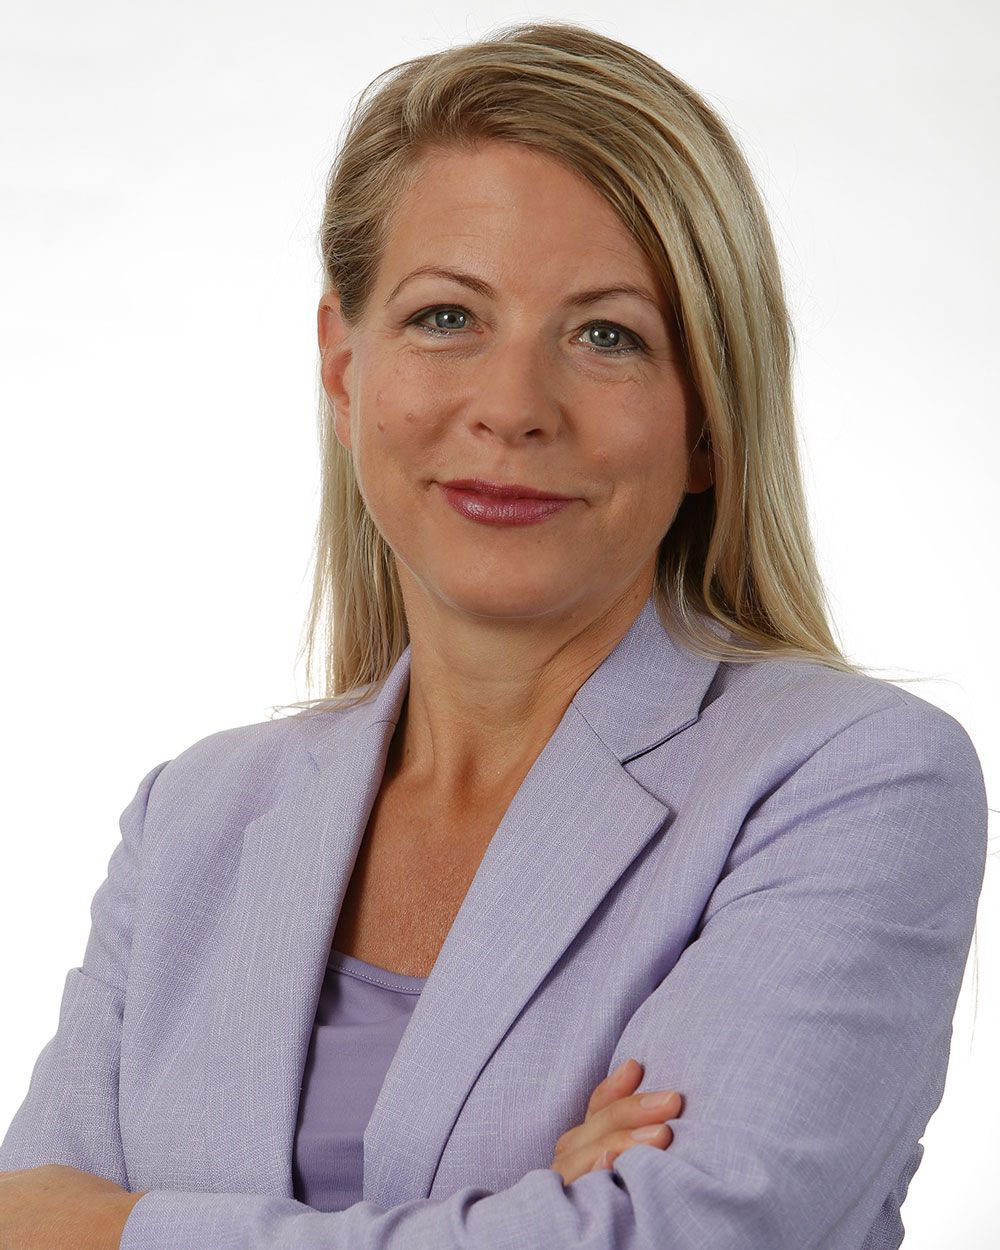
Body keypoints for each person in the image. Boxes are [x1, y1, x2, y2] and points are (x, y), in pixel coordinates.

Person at [0, 19, 987, 1250]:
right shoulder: (193, 817)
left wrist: (116, 1227)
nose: (513, 407)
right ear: (344, 370)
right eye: (446, 317)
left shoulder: (850, 778)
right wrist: (530, 1213)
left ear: (706, 421)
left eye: (607, 334)